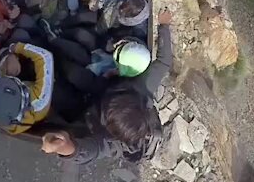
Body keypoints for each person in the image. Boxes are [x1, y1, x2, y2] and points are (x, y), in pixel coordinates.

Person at [41, 9, 174, 162]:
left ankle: (53, 66)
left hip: (84, 110)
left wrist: (65, 147)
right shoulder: (142, 88)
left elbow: (92, 150)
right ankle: (57, 53)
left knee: (60, 93)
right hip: (106, 88)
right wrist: (164, 26)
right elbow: (164, 62)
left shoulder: (114, 144)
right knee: (75, 73)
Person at [0, 41, 55, 134]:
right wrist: (16, 47)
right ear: (25, 97)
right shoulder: (38, 102)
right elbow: (45, 57)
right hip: (46, 104)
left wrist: (9, 57)